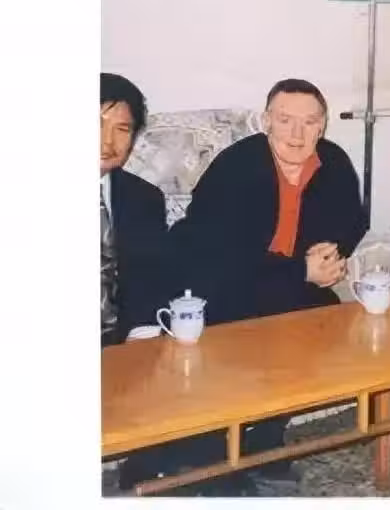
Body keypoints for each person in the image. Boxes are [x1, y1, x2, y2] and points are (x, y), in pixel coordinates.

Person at [163, 77, 369, 494]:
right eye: (286, 120)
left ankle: (266, 439)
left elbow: (354, 218)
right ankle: (212, 455)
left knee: (323, 319)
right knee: (237, 331)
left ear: (323, 125)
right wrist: (302, 271)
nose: (297, 133)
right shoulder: (237, 165)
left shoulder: (333, 162)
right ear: (266, 120)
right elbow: (218, 252)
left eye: (309, 122)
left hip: (286, 282)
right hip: (220, 281)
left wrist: (334, 253)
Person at [100, 72, 169, 347]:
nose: (108, 141)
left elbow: (149, 278)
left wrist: (141, 335)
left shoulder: (145, 199)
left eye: (122, 129)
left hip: (121, 346)